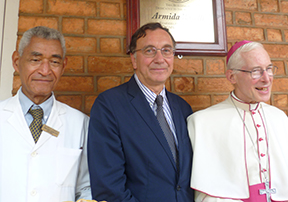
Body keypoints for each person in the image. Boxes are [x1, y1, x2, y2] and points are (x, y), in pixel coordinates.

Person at [88, 22, 194, 202]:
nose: (160, 59)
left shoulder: (183, 108)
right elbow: (109, 188)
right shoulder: (109, 105)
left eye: (166, 50)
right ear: (134, 59)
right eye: (150, 51)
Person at [187, 41, 288, 202]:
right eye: (256, 71)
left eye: (269, 69)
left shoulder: (281, 118)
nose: (266, 79)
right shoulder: (202, 123)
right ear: (231, 76)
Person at [0, 26, 92, 202]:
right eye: (35, 60)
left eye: (54, 62)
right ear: (16, 62)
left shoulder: (80, 124)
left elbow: (86, 186)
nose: (45, 70)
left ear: (63, 66)